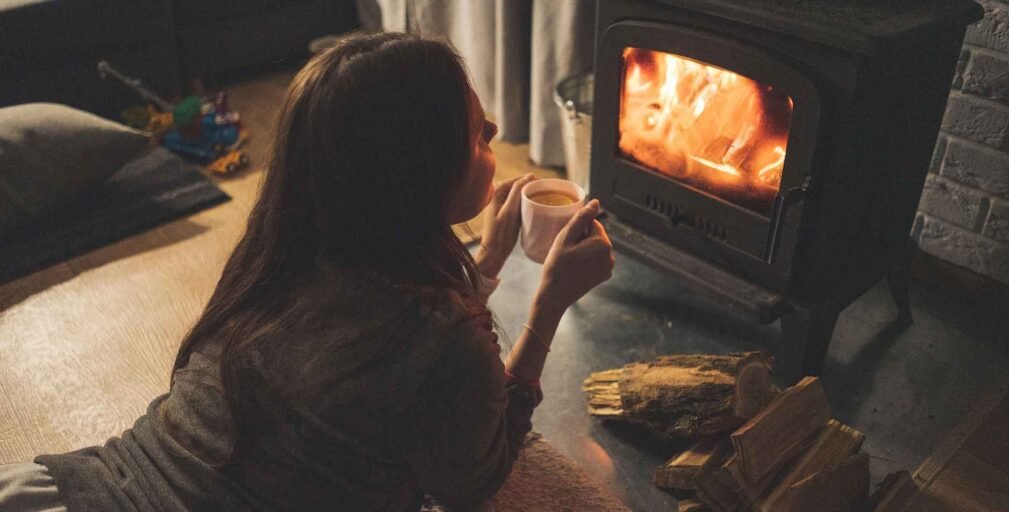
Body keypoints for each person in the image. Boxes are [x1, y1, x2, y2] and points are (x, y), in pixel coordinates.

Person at [0, 32, 614, 511]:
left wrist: (485, 264)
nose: (495, 132)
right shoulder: (445, 344)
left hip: (81, 486)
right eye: (473, 131)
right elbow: (474, 477)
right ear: (412, 176)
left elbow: (379, 349)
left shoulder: (279, 256)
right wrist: (549, 304)